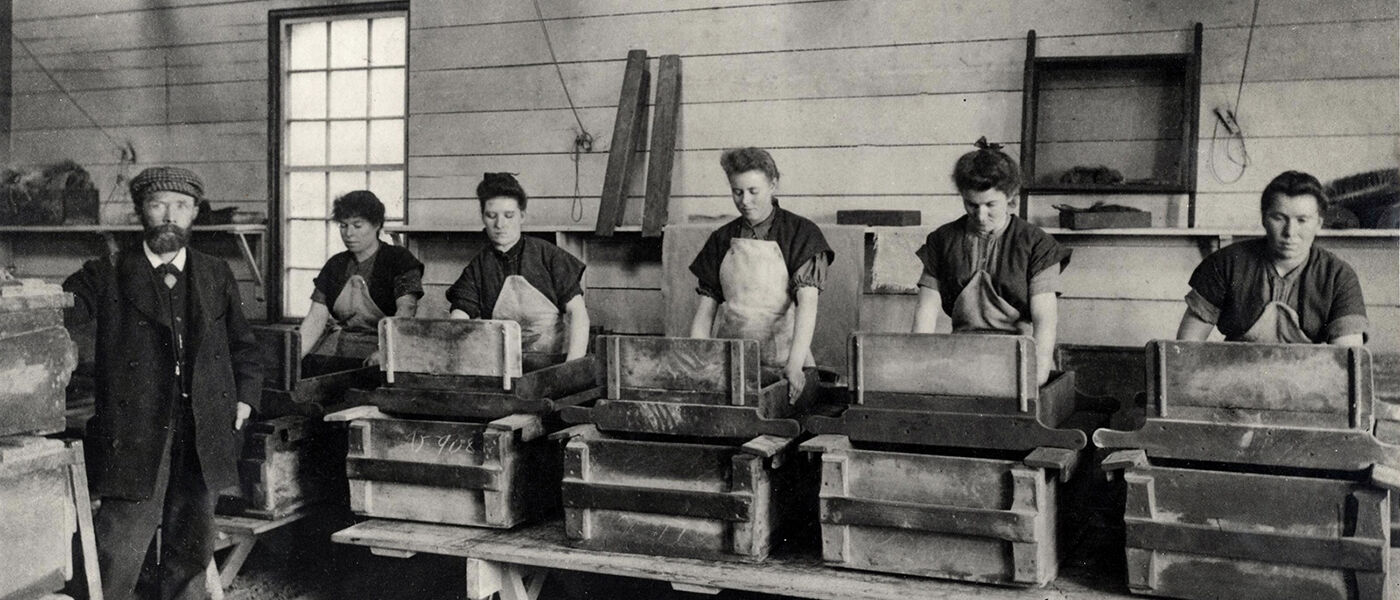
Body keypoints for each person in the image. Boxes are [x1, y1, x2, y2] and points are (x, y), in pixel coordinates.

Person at [63, 167, 261, 600]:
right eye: (158, 205)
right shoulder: (107, 272)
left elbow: (243, 345)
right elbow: (68, 305)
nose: (169, 215)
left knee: (193, 539)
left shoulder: (216, 273)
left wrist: (245, 399)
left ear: (194, 215)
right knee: (118, 541)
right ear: (142, 213)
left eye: (181, 206)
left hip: (204, 423)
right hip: (135, 427)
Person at [911, 137, 1071, 385]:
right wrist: (918, 367)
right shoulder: (942, 240)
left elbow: (1045, 319)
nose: (981, 215)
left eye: (990, 204)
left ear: (1010, 197)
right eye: (971, 205)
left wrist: (1036, 376)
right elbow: (926, 312)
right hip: (960, 359)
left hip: (1020, 361)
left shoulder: (1037, 244)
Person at [688, 147, 834, 402]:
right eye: (737, 191)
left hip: (785, 366)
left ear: (773, 184)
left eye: (753, 191)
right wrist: (699, 361)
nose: (745, 201)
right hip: (729, 367)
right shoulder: (721, 239)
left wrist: (795, 365)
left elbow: (808, 305)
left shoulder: (801, 234)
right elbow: (705, 312)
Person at [1176, 170, 1367, 345]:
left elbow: (1346, 361)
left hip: (1308, 376)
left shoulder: (1338, 276)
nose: (1290, 232)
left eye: (1302, 220)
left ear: (1318, 224)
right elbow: (1187, 346)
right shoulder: (1226, 264)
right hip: (1235, 374)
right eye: (1279, 218)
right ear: (1263, 219)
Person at [446, 173, 590, 361]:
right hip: (501, 365)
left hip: (553, 366)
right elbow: (460, 316)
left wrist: (571, 367)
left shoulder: (549, 256)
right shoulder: (478, 266)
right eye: (491, 216)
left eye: (508, 215)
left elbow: (578, 313)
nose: (500, 224)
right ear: (483, 217)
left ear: (521, 216)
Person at [299, 190, 424, 367]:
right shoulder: (335, 265)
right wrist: (292, 359)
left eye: (357, 226)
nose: (348, 233)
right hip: (343, 353)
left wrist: (385, 352)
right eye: (343, 226)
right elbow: (315, 319)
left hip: (389, 353)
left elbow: (405, 313)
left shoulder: (400, 260)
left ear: (376, 225)